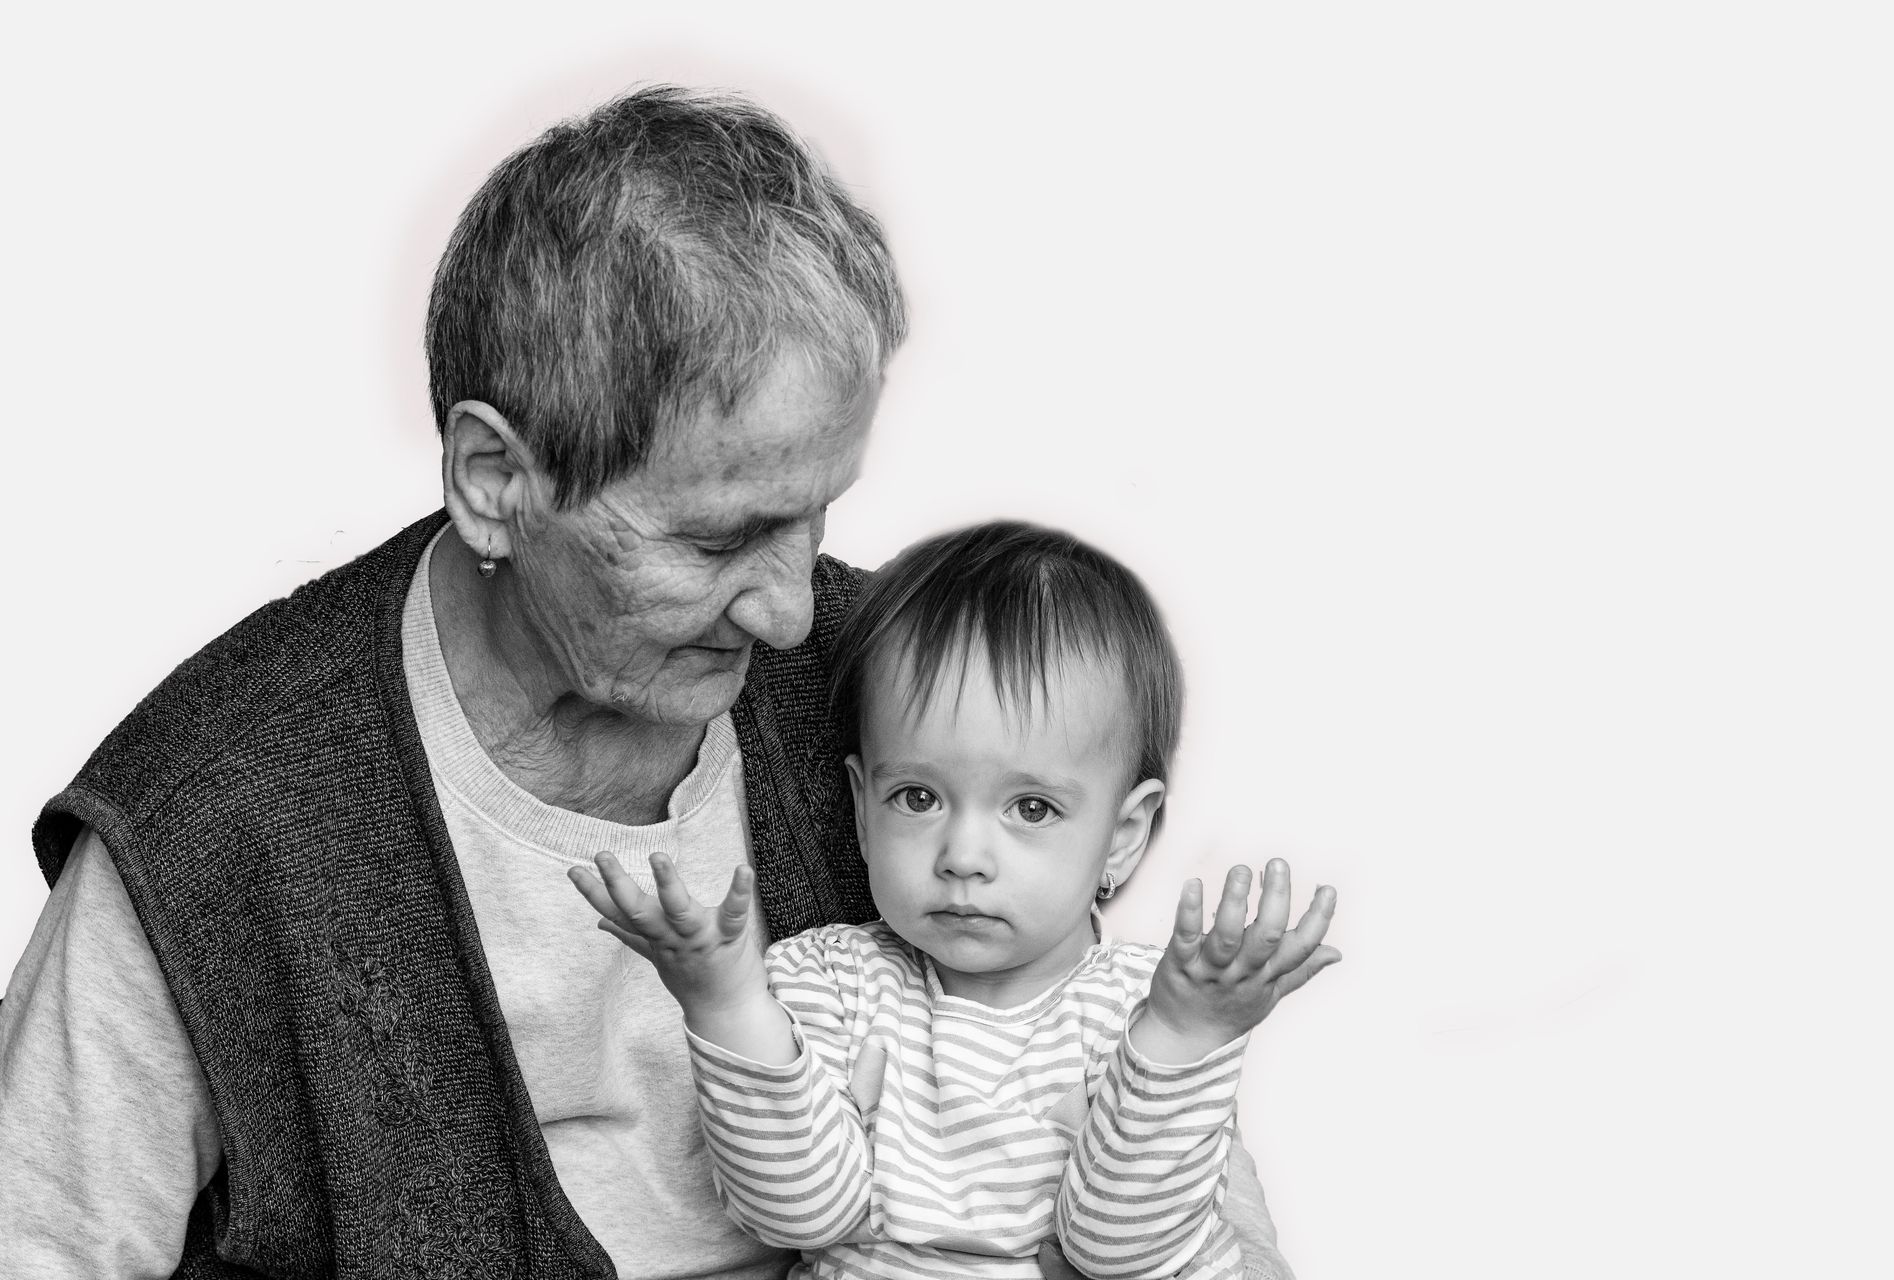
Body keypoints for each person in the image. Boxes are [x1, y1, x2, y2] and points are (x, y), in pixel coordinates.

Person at [0, 87, 1293, 1278]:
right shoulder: (215, 824)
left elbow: (1173, 1178)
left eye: (815, 517)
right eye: (721, 539)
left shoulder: (904, 688)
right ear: (497, 482)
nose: (794, 611)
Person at [572, 521, 1340, 1279]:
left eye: (1031, 809)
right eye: (918, 798)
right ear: (862, 809)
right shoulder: (825, 982)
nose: (963, 857)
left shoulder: (1147, 1013)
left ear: (1122, 835)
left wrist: (1183, 1035)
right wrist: (726, 1005)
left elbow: (1118, 1251)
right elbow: (802, 1215)